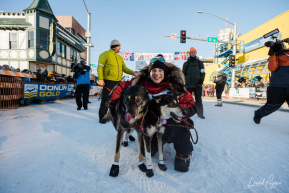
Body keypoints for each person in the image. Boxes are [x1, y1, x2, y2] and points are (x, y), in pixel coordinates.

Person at [109, 55, 196, 172]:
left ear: (165, 72)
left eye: (160, 70)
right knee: (147, 152)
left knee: (177, 124)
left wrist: (172, 110)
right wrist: (112, 107)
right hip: (151, 125)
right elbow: (120, 87)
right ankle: (165, 137)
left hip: (168, 122)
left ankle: (183, 152)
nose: (157, 73)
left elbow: (190, 104)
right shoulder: (140, 85)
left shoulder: (173, 87)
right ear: (149, 72)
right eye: (154, 70)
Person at [97, 39, 138, 123]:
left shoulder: (119, 57)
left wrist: (134, 73)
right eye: (119, 46)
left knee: (118, 99)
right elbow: (100, 67)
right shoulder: (105, 54)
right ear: (115, 46)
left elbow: (125, 69)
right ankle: (102, 117)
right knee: (106, 99)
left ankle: (115, 115)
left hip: (118, 81)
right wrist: (100, 78)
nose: (120, 48)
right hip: (108, 80)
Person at [254, 44, 289, 124]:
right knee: (272, 106)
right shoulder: (276, 56)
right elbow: (272, 68)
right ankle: (259, 113)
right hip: (277, 87)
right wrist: (272, 55)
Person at [182, 47, 206, 119]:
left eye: (194, 52)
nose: (193, 53)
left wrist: (201, 80)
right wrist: (184, 82)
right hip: (188, 84)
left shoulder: (200, 63)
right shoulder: (186, 63)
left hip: (197, 84)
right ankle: (187, 114)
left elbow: (202, 72)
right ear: (189, 54)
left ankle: (200, 113)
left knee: (198, 99)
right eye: (191, 52)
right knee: (188, 99)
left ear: (196, 53)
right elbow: (183, 73)